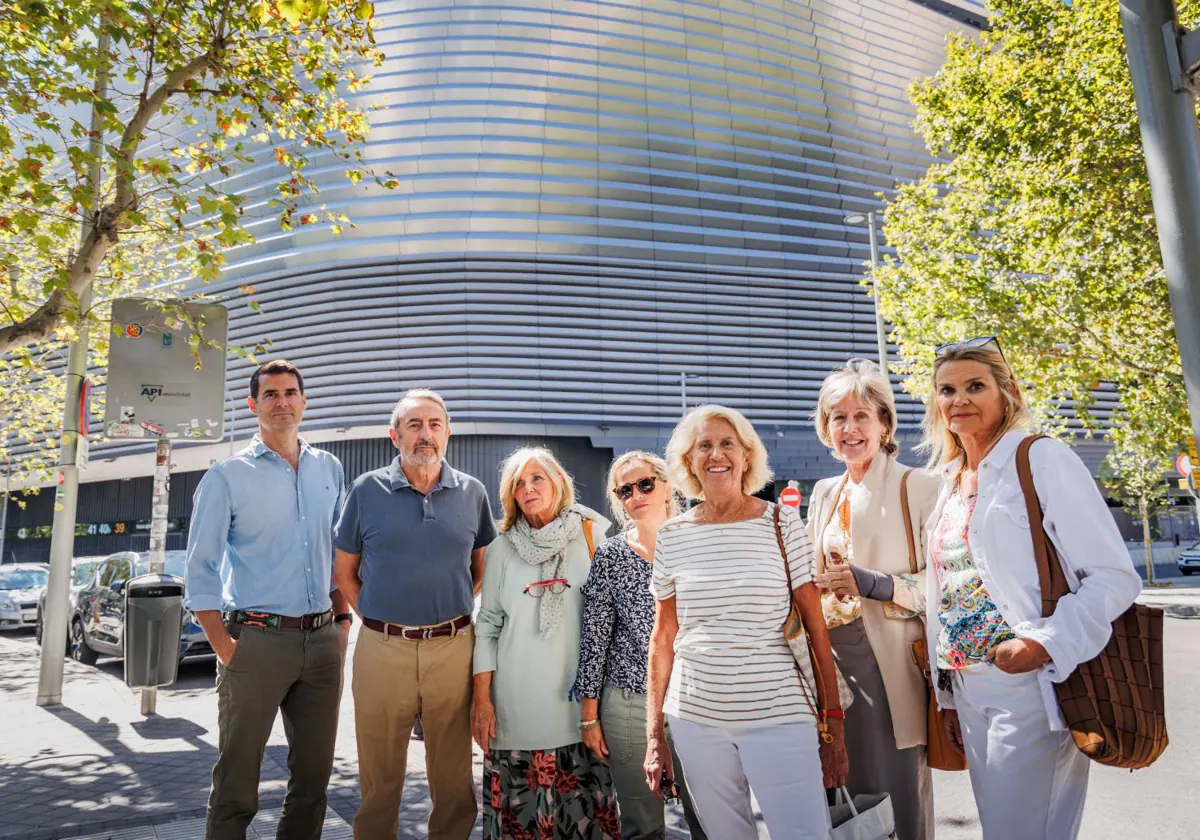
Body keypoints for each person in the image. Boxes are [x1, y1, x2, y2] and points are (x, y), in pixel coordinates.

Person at [923, 337, 1141, 840]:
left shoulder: (1040, 458)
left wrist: (1043, 643)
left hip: (1029, 680)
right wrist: (950, 698)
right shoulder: (951, 479)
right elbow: (952, 587)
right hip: (967, 683)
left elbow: (1113, 576)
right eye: (947, 389)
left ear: (1007, 392)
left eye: (975, 386)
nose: (959, 400)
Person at [644, 405, 848, 840]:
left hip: (780, 714)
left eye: (727, 444)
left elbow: (815, 627)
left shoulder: (781, 521)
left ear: (746, 455)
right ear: (688, 462)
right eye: (704, 446)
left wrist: (834, 725)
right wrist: (654, 736)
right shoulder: (672, 534)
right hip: (695, 718)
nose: (716, 454)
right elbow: (663, 639)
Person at [185, 359, 351, 840]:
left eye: (290, 392)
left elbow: (336, 552)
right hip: (253, 641)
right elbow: (200, 569)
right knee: (237, 786)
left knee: (314, 783)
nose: (282, 402)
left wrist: (341, 624)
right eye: (271, 394)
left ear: (304, 401)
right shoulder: (226, 476)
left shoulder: (329, 468)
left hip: (321, 643)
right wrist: (225, 646)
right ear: (254, 404)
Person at [333, 388, 496, 840]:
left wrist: (448, 611)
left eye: (434, 425)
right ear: (394, 435)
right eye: (414, 425)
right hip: (382, 650)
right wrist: (379, 620)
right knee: (379, 776)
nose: (426, 435)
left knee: (453, 777)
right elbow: (344, 571)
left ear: (448, 433)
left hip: (454, 648)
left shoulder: (473, 493)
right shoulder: (366, 490)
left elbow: (480, 568)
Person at [808, 359, 940, 840]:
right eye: (838, 417)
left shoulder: (919, 487)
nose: (850, 427)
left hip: (888, 667)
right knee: (845, 800)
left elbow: (948, 586)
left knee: (896, 797)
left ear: (885, 424)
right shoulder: (824, 492)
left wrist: (874, 583)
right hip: (830, 667)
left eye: (861, 415)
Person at [472, 447, 620, 839]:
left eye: (537, 477)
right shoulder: (501, 548)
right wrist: (482, 702)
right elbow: (487, 625)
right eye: (518, 483)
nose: (528, 488)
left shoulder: (592, 533)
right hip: (515, 709)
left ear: (558, 482)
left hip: (580, 710)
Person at [575, 452, 707, 840]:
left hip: (701, 701)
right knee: (641, 826)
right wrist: (589, 717)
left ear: (666, 487)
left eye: (645, 484)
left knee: (712, 821)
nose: (637, 494)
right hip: (630, 706)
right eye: (625, 490)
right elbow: (594, 639)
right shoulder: (611, 556)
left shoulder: (700, 541)